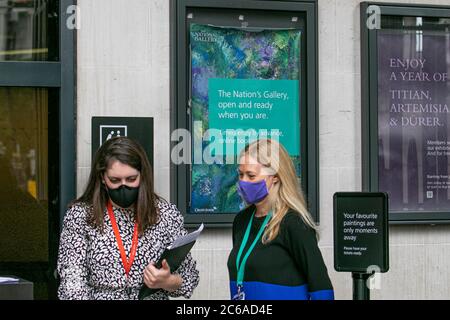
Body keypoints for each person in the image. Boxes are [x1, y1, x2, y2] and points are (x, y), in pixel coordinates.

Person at [57, 137, 199, 300]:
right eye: (115, 180)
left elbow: (189, 278)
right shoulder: (81, 216)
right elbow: (72, 283)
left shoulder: (165, 214)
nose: (123, 186)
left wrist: (167, 281)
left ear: (142, 176)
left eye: (131, 179)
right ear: (103, 178)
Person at [227, 139, 334, 300]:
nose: (243, 182)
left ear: (275, 176)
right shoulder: (242, 221)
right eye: (240, 174)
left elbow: (320, 286)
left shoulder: (294, 223)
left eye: (251, 175)